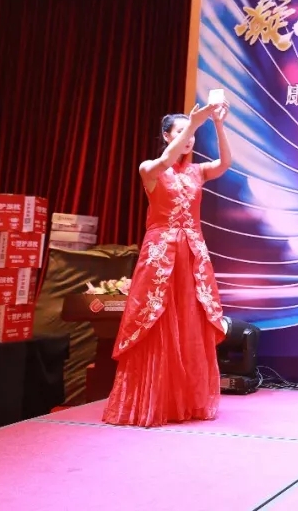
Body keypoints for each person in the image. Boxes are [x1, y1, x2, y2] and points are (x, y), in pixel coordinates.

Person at [103, 98, 232, 427]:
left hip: (191, 254)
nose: (188, 139)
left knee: (189, 322)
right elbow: (165, 160)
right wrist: (194, 123)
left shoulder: (198, 171)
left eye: (190, 134)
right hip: (161, 254)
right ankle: (152, 400)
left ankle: (186, 398)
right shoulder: (150, 169)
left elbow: (225, 163)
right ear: (166, 135)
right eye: (179, 132)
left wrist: (217, 124)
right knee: (156, 320)